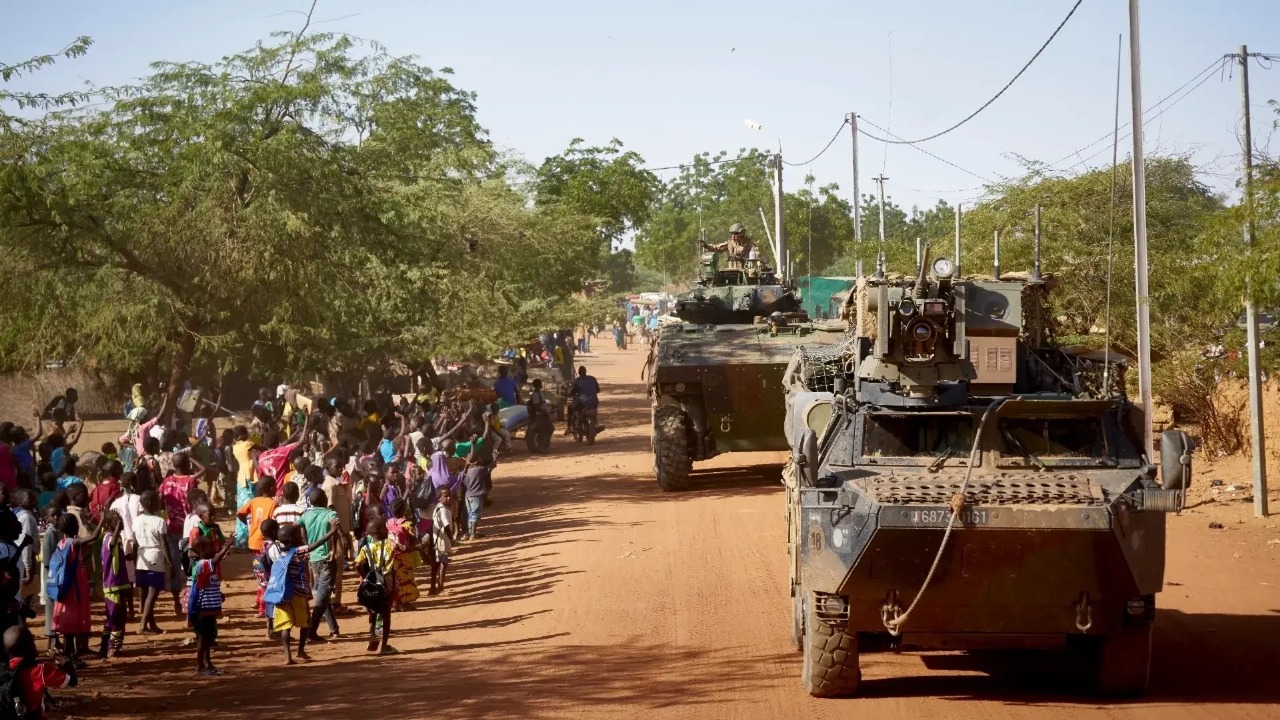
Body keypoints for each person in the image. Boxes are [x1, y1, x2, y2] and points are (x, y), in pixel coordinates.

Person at [50, 511, 102, 667]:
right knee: (72, 622)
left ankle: (69, 654)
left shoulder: (61, 543)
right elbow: (94, 537)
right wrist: (103, 519)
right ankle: (70, 656)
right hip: (74, 589)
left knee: (68, 623)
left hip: (65, 588)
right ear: (75, 527)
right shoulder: (73, 543)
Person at [4, 625, 77, 720]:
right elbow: (72, 681)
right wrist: (66, 662)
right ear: (30, 645)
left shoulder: (4, 669)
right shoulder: (40, 669)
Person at [299, 488, 341, 641]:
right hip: (327, 559)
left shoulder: (306, 515)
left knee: (323, 593)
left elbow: (300, 527)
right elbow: (334, 529)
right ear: (325, 500)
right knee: (323, 595)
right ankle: (311, 631)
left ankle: (333, 628)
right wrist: (334, 549)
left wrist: (306, 545)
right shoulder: (331, 514)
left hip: (313, 559)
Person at [188, 533, 232, 676]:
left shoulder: (208, 566)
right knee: (203, 639)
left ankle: (208, 664)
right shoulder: (203, 564)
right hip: (202, 610)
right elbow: (216, 560)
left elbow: (208, 585)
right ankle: (200, 667)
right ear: (202, 551)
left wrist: (219, 595)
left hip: (209, 610)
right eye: (211, 547)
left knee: (208, 638)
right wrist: (226, 547)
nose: (214, 549)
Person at [270, 523, 314, 665]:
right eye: (298, 535)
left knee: (285, 626)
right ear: (292, 539)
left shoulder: (276, 550)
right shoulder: (297, 553)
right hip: (298, 594)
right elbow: (314, 546)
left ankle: (287, 656)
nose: (300, 537)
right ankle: (300, 650)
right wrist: (331, 532)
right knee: (305, 623)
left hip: (281, 594)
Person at [132, 490, 171, 636]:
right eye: (157, 500)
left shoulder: (136, 520)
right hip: (155, 557)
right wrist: (170, 563)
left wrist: (134, 558)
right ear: (150, 503)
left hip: (141, 558)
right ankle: (143, 625)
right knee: (153, 593)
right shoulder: (160, 521)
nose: (159, 503)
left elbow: (135, 542)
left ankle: (151, 624)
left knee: (145, 592)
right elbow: (164, 544)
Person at [355, 515, 395, 655]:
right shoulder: (390, 544)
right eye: (384, 528)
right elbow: (403, 549)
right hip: (387, 583)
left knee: (373, 609)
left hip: (371, 583)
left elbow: (357, 564)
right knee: (386, 613)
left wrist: (365, 575)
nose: (387, 530)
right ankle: (384, 646)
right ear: (378, 532)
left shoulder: (366, 548)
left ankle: (372, 634)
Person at [99, 510, 130, 658]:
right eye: (116, 521)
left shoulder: (117, 539)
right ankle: (111, 648)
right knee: (116, 616)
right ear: (108, 524)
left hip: (120, 583)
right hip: (112, 584)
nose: (120, 522)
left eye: (120, 519)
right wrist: (118, 528)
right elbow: (111, 546)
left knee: (118, 615)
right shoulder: (109, 538)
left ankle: (105, 646)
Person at [566, 365, 602, 436]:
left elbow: (573, 391)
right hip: (594, 401)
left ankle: (569, 427)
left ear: (579, 373)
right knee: (594, 412)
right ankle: (595, 424)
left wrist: (568, 395)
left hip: (582, 402)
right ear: (586, 372)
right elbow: (598, 390)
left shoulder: (577, 381)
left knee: (570, 408)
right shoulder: (592, 378)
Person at [431, 487, 454, 594]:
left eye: (449, 496)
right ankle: (440, 588)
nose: (448, 498)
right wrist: (451, 537)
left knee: (436, 563)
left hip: (438, 539)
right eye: (445, 496)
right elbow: (446, 524)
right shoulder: (443, 510)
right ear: (439, 497)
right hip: (442, 540)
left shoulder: (438, 508)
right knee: (443, 563)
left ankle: (433, 588)